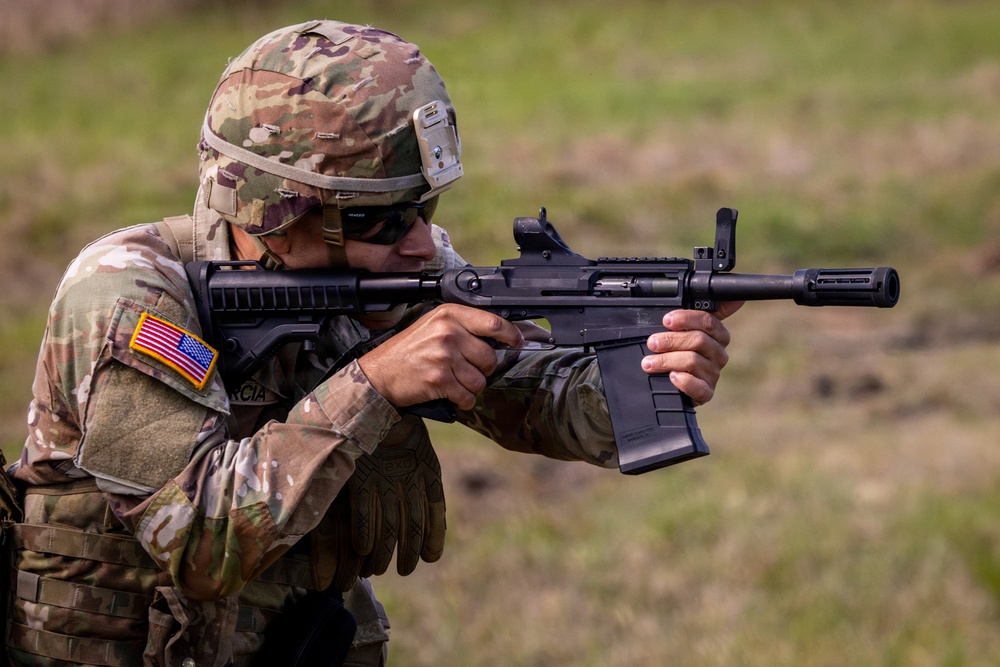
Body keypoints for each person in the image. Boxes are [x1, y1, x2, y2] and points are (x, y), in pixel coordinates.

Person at [5, 20, 740, 667]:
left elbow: (532, 393)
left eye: (425, 208)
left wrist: (644, 363)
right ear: (275, 215)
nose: (424, 243)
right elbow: (199, 540)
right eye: (383, 220)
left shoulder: (399, 271)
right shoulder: (128, 295)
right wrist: (375, 383)